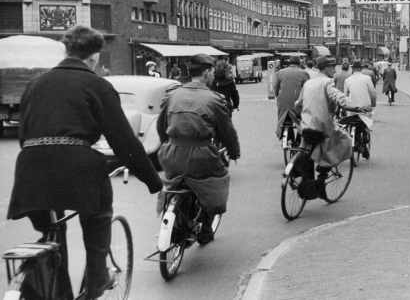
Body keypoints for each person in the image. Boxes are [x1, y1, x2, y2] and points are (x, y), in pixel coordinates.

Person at [7, 25, 163, 300]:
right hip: (79, 166)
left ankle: (56, 289)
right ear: (93, 57)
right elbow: (123, 142)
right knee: (98, 216)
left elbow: (23, 134)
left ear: (66, 50)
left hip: (30, 170)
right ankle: (96, 284)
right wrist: (153, 181)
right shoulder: (97, 85)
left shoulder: (36, 84)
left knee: (52, 231)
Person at [156, 54, 241, 245]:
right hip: (201, 156)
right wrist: (234, 152)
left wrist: (167, 145)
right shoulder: (214, 99)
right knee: (219, 180)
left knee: (174, 182)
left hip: (170, 154)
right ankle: (205, 226)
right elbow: (227, 132)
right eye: (211, 72)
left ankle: (176, 217)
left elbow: (161, 127)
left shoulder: (172, 95)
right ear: (208, 72)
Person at [294, 55, 372, 197]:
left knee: (306, 150)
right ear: (325, 68)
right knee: (345, 141)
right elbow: (339, 98)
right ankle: (322, 175)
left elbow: (298, 104)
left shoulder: (308, 83)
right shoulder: (327, 82)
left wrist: (300, 115)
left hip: (306, 126)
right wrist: (357, 107)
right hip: (322, 126)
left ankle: (301, 171)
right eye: (332, 67)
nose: (334, 70)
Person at [344, 60, 377, 159]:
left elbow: (344, 96)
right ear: (361, 68)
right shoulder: (367, 78)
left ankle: (352, 138)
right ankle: (365, 138)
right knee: (366, 123)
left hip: (352, 108)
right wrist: (373, 104)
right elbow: (372, 93)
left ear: (352, 68)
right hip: (364, 108)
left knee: (351, 123)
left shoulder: (348, 80)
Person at [274, 55, 310, 140]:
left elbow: (276, 88)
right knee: (301, 121)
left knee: (283, 119)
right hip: (297, 103)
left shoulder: (281, 72)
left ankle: (283, 134)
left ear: (289, 62)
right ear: (299, 63)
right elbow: (309, 88)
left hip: (283, 103)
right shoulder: (303, 73)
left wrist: (278, 97)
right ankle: (299, 139)